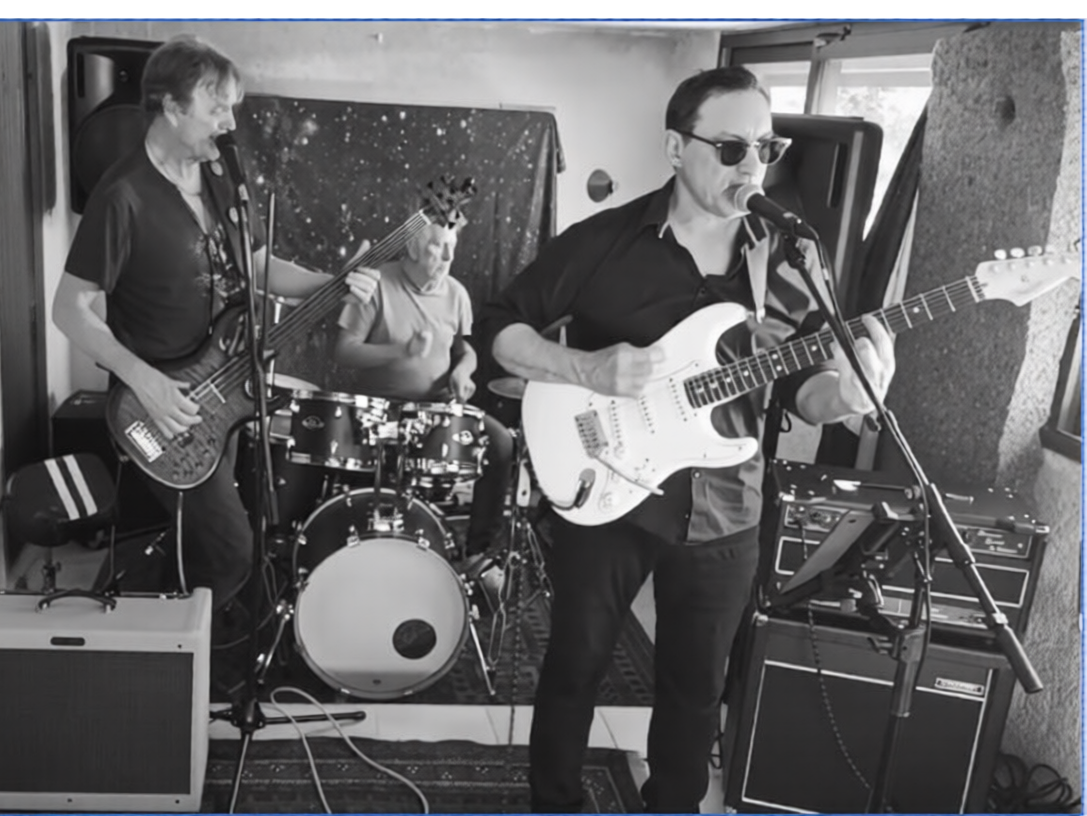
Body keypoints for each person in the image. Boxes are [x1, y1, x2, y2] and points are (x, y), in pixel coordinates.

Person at [478, 66, 897, 813]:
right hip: (608, 486)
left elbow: (803, 390)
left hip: (726, 503)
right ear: (677, 148)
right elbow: (497, 327)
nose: (752, 166)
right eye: (731, 148)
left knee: (696, 689)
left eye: (766, 149)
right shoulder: (604, 241)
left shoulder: (792, 260)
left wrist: (849, 396)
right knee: (574, 667)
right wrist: (582, 367)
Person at [52, 34, 381, 621]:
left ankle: (179, 636)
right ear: (171, 107)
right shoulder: (122, 196)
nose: (230, 123)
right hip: (157, 410)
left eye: (232, 107)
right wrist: (146, 381)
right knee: (231, 551)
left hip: (223, 394)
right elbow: (68, 309)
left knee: (205, 539)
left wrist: (332, 282)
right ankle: (137, 627)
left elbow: (257, 265)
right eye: (216, 107)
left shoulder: (221, 175)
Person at [333, 219, 514, 564]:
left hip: (438, 408)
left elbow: (464, 350)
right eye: (437, 246)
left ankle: (478, 553)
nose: (448, 256)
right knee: (384, 479)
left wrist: (463, 371)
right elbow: (344, 350)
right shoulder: (376, 283)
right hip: (379, 409)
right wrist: (400, 351)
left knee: (501, 442)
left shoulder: (456, 294)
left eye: (452, 247)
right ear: (413, 248)